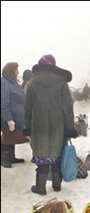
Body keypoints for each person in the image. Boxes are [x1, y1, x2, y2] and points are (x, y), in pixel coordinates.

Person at [22, 54, 78, 195]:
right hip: (58, 127)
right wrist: (70, 128)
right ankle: (57, 184)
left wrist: (27, 129)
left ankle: (40, 187)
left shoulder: (32, 83)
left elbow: (27, 109)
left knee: (42, 156)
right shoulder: (62, 83)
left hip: (38, 127)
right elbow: (67, 108)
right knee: (56, 155)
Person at [1, 62, 29, 168]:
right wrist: (8, 119)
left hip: (16, 117)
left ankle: (11, 157)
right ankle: (3, 159)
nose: (18, 72)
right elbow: (3, 102)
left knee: (12, 137)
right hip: (7, 118)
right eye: (17, 70)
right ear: (11, 70)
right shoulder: (4, 83)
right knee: (7, 137)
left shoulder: (13, 83)